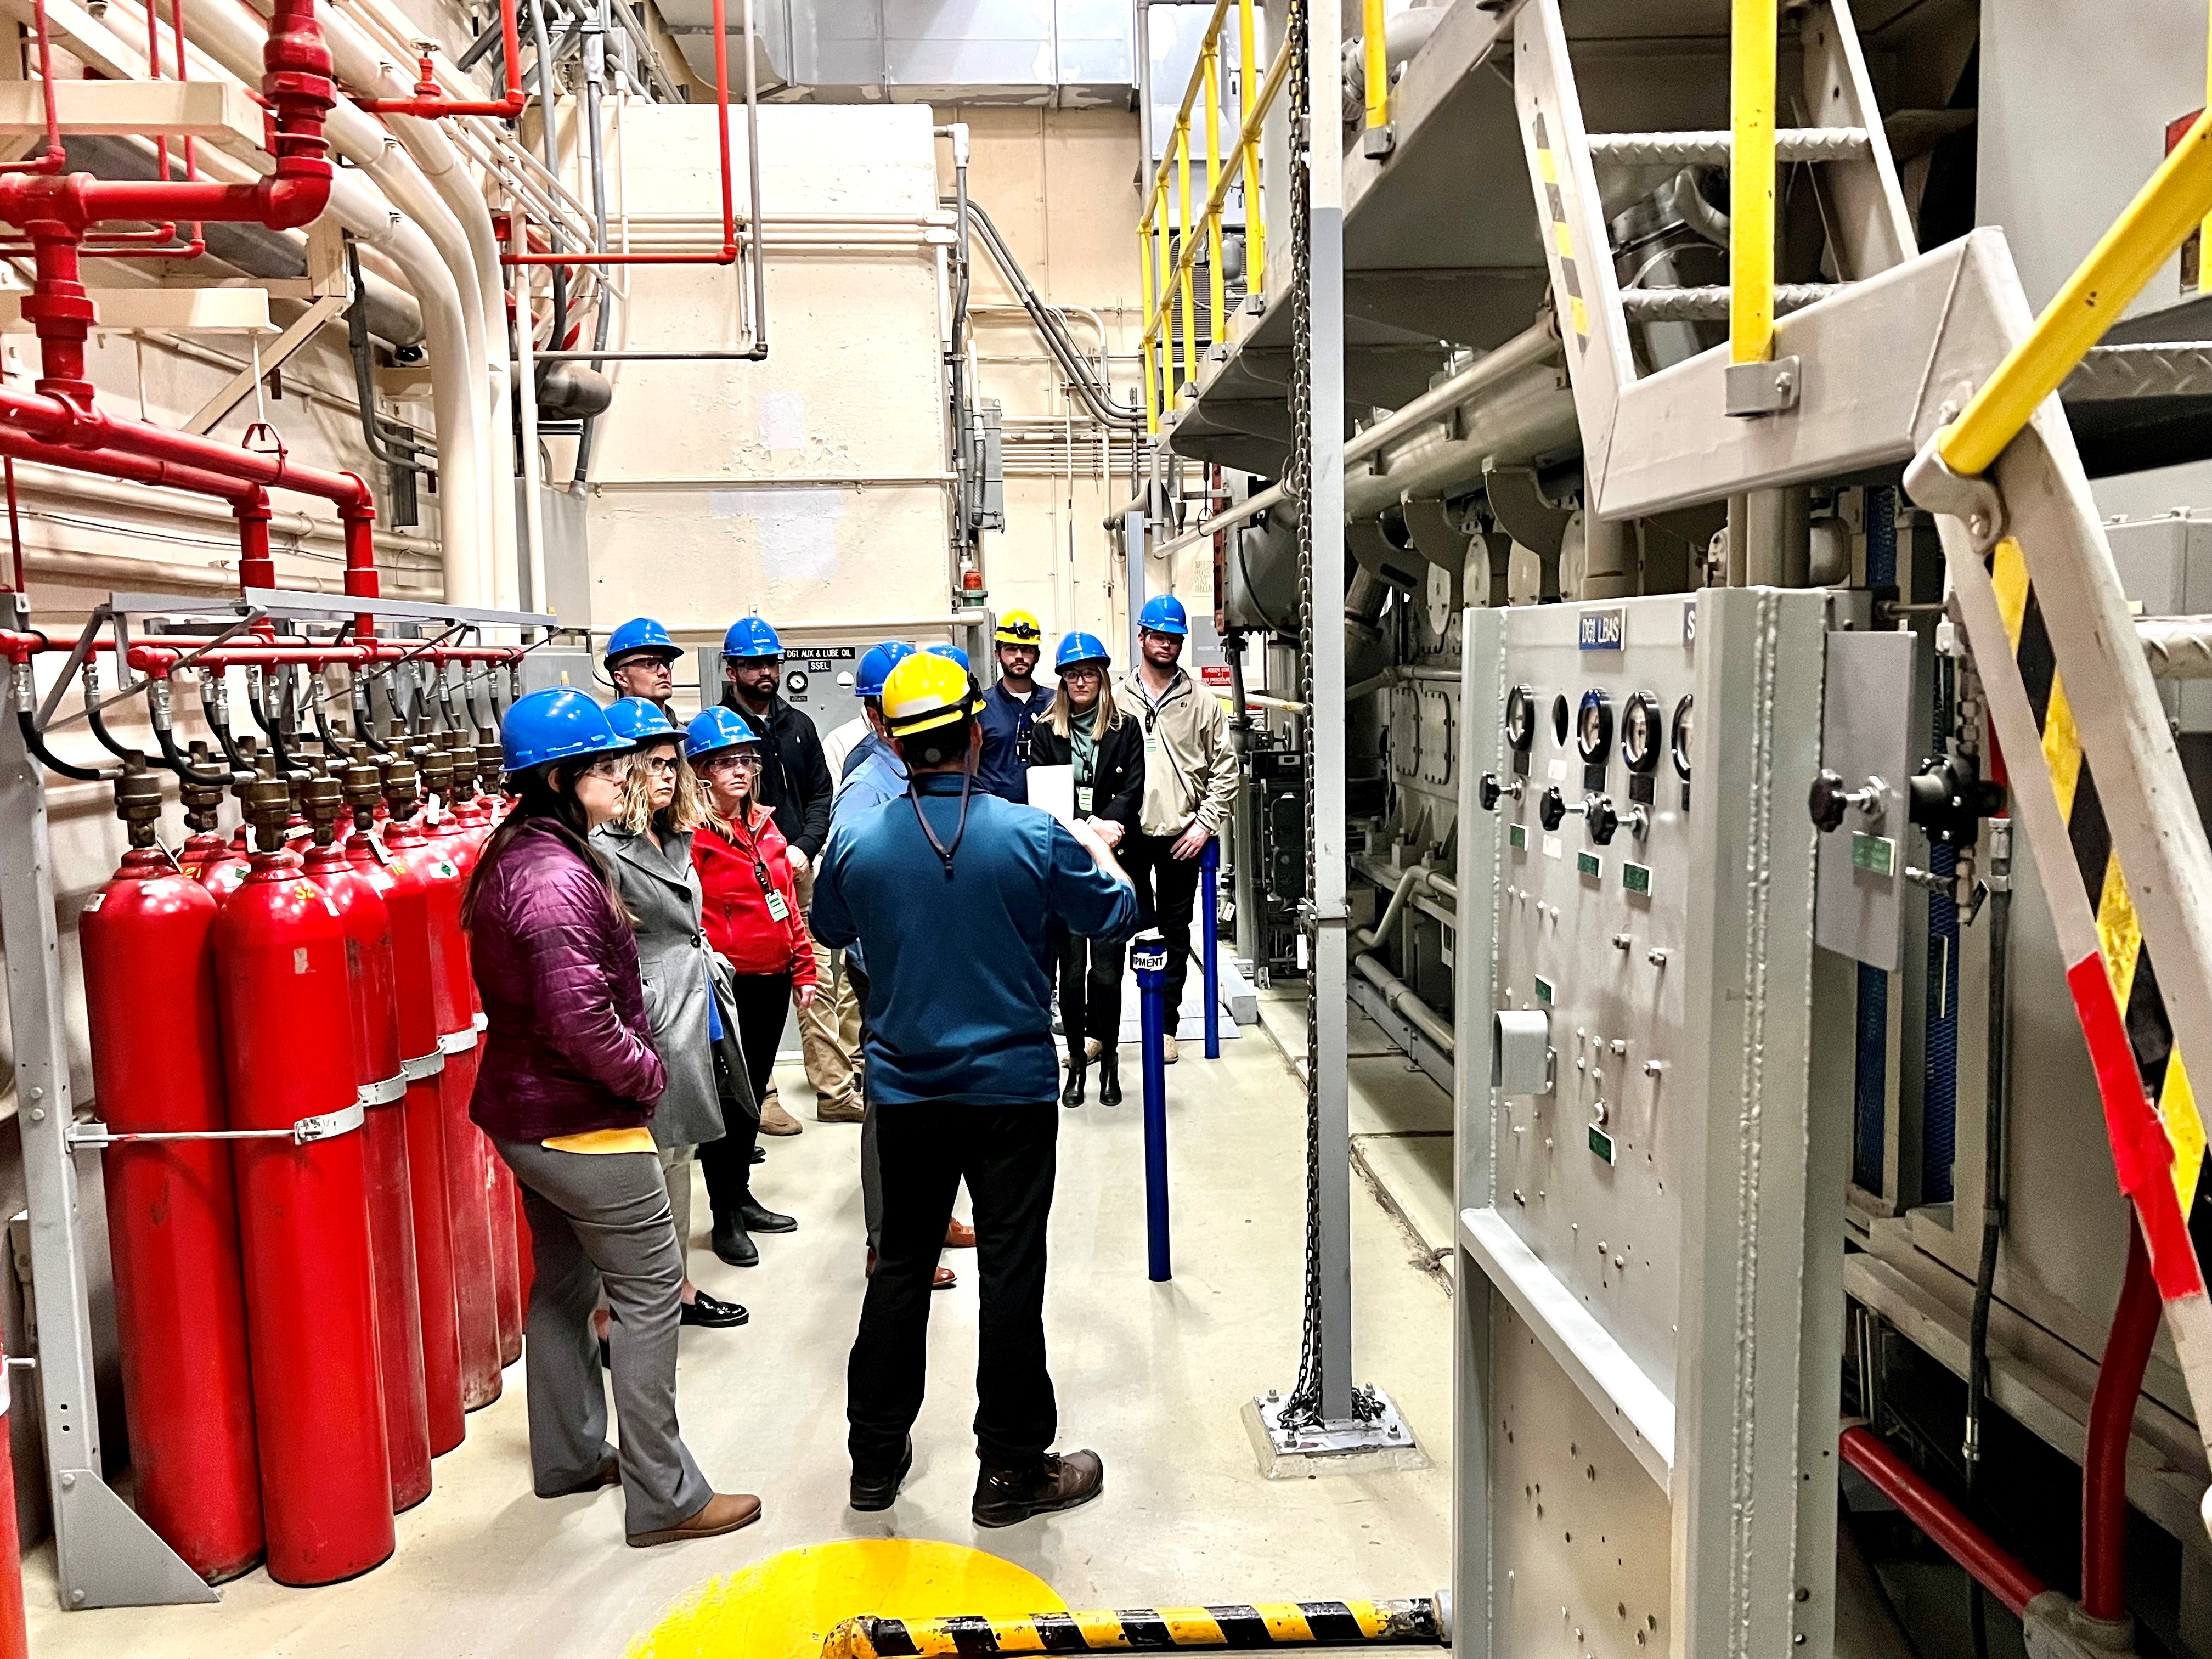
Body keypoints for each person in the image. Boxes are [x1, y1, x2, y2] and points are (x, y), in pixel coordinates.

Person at [810, 652, 1138, 1527]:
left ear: (897, 740)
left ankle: (874, 1464)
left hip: (907, 1094)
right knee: (1011, 1274)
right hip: (1012, 1095)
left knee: (901, 1271)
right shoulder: (1029, 835)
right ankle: (1011, 1472)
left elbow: (830, 926)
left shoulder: (859, 840)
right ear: (969, 734)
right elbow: (1114, 914)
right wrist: (1097, 852)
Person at [465, 687, 758, 1548]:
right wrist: (647, 1075)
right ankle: (665, 1497)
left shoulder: (525, 851)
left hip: (528, 1117)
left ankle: (565, 1459)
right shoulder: (555, 878)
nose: (621, 776)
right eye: (601, 766)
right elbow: (579, 1019)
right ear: (557, 778)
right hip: (580, 1122)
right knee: (651, 1292)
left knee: (562, 1286)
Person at [589, 699, 748, 1335]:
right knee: (642, 1163)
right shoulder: (602, 846)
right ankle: (615, 1313)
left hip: (694, 1001)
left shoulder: (676, 832)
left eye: (670, 763)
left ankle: (676, 1288)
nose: (666, 774)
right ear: (622, 770)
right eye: (651, 764)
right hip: (649, 1011)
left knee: (680, 1154)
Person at [832, 641, 967, 1293]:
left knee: (936, 1096)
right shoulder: (868, 778)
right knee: (893, 1103)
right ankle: (886, 1244)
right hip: (888, 966)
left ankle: (934, 1216)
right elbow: (845, 878)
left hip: (924, 958)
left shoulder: (905, 767)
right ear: (876, 714)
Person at [687, 706, 809, 1268]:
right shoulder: (690, 836)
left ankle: (740, 1196)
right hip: (728, 986)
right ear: (701, 771)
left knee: (753, 1096)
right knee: (729, 1104)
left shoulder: (765, 823)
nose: (738, 771)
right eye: (723, 763)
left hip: (774, 978)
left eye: (745, 761)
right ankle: (725, 1214)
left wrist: (804, 967)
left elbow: (786, 904)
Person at [720, 616, 850, 1131]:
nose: (765, 673)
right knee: (753, 990)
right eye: (753, 665)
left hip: (798, 870)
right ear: (732, 672)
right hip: (740, 880)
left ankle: (834, 1089)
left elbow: (821, 793)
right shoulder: (719, 731)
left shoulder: (798, 726)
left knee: (813, 974)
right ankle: (761, 1094)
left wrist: (804, 847)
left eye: (771, 663)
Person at [1118, 595, 1238, 1063]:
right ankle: (1109, 1027)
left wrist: (1205, 825)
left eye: (1174, 639)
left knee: (1173, 931)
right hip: (1128, 835)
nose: (1165, 646)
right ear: (1142, 638)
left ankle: (1165, 1027)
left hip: (1180, 836)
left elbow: (1226, 770)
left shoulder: (1202, 702)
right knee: (1127, 928)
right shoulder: (1119, 696)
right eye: (1158, 637)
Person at [1025, 633, 1143, 1107]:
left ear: (1102, 678)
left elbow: (1133, 785)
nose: (1081, 681)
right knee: (1071, 976)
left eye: (1089, 673)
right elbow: (1041, 797)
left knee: (1107, 977)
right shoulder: (1043, 732)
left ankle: (1109, 1061)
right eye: (1072, 674)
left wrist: (1110, 825)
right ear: (1062, 681)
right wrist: (1081, 830)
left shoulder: (1126, 728)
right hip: (1066, 866)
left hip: (1112, 860)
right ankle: (1075, 1061)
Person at [976, 610, 1052, 803]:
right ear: (997, 655)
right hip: (995, 816)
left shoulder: (1055, 704)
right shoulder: (980, 707)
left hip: (1047, 812)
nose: (1019, 656)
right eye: (1011, 649)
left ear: (1037, 656)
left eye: (1027, 649)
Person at [604, 617, 684, 710]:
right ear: (622, 679)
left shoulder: (688, 726)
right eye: (649, 664)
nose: (664, 671)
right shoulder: (604, 725)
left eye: (667, 663)